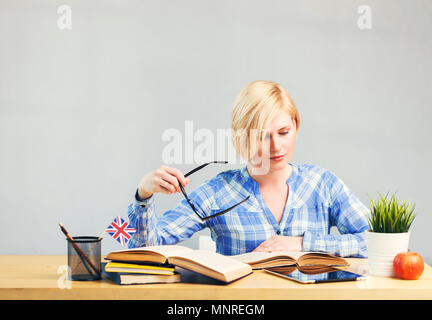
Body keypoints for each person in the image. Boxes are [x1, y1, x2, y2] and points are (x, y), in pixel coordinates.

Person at [128, 80, 369, 258]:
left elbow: (376, 243)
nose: (276, 146)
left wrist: (303, 243)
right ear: (243, 138)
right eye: (263, 136)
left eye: (284, 132)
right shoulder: (219, 192)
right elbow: (143, 251)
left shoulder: (323, 184)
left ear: (295, 126)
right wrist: (143, 195)